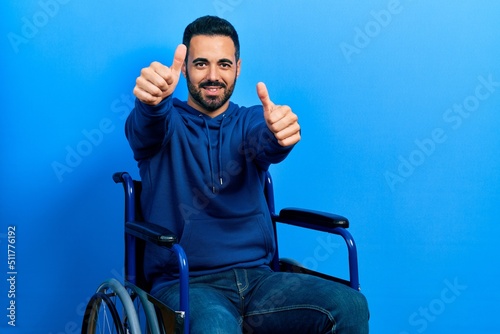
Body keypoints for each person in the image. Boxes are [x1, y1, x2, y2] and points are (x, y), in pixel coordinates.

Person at [126, 15, 369, 333]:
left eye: (224, 64)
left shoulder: (250, 121)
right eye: (201, 64)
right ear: (184, 68)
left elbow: (265, 140)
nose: (213, 76)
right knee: (215, 327)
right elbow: (145, 127)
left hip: (260, 280)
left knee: (350, 305)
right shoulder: (163, 124)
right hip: (186, 282)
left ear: (238, 68)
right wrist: (152, 104)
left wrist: (279, 133)